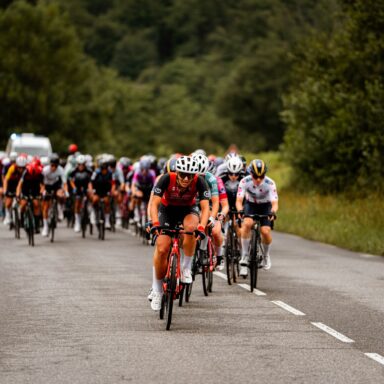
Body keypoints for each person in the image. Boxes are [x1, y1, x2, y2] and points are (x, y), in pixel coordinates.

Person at [148, 156, 210, 311]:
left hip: (188, 210)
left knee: (191, 229)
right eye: (182, 175)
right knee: (162, 248)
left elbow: (205, 207)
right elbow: (154, 203)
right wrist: (155, 224)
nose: (186, 179)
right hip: (166, 210)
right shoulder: (166, 178)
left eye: (190, 176)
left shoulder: (200, 182)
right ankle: (156, 290)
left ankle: (187, 267)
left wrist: (202, 227)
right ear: (177, 172)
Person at [236, 159, 278, 275]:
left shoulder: (270, 183)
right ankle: (244, 256)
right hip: (251, 205)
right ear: (250, 173)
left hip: (265, 206)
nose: (258, 179)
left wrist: (272, 212)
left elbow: (274, 203)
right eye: (255, 176)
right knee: (247, 224)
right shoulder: (244, 181)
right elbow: (239, 200)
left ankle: (265, 255)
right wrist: (240, 210)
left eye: (261, 176)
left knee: (265, 231)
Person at [41, 154, 66, 236]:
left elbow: (64, 183)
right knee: (45, 207)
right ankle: (45, 226)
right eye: (52, 165)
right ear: (49, 164)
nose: (54, 168)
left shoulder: (61, 170)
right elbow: (42, 184)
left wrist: (65, 191)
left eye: (56, 166)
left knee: (61, 194)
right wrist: (43, 191)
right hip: (47, 186)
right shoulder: (45, 170)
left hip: (56, 185)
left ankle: (59, 209)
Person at [68, 155, 92, 233]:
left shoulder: (89, 171)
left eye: (82, 164)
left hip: (86, 188)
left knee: (91, 198)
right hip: (77, 188)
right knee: (77, 202)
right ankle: (77, 222)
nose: (81, 166)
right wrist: (74, 187)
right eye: (79, 164)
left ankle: (91, 212)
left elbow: (91, 181)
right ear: (77, 164)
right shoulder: (73, 171)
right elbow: (70, 180)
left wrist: (90, 189)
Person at [3, 155, 27, 226]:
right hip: (11, 184)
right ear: (16, 165)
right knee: (8, 202)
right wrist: (5, 190)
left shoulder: (26, 170)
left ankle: (21, 216)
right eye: (19, 167)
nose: (21, 169)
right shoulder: (12, 168)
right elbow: (6, 180)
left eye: (22, 167)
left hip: (21, 185)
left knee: (22, 201)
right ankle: (7, 216)